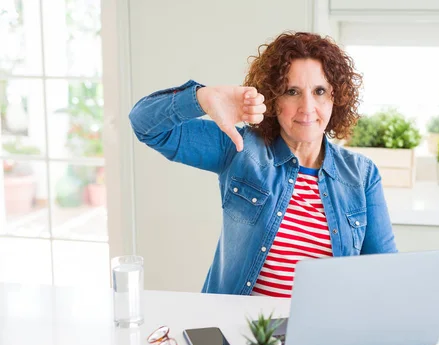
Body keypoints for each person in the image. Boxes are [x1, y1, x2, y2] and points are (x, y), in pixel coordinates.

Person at [128, 31, 397, 297]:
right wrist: (201, 98)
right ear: (273, 98)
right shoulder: (240, 148)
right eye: (292, 91)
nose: (307, 107)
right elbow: (145, 125)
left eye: (319, 91)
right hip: (241, 330)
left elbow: (384, 273)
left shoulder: (361, 174)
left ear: (335, 98)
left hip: (322, 333)